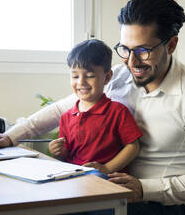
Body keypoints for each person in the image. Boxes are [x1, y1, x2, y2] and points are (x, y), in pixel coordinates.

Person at [0, 0, 185, 215]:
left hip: (157, 203)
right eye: (125, 49)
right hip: (101, 187)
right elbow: (63, 107)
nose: (132, 62)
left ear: (172, 44)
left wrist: (143, 188)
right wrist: (9, 137)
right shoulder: (119, 76)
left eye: (143, 50)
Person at [48, 39, 142, 175]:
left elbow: (133, 146)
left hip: (107, 180)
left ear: (107, 77)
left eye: (90, 75)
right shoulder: (66, 117)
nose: (81, 82)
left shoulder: (118, 111)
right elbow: (67, 154)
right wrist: (57, 150)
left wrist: (107, 168)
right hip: (75, 178)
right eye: (75, 76)